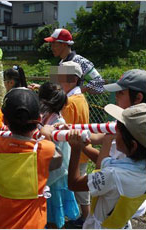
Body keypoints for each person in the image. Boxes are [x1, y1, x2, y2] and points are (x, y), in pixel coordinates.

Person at [0, 88, 62, 229]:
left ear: (4, 120)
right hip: (31, 225)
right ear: (39, 119)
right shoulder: (44, 149)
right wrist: (47, 135)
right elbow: (58, 161)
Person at [67, 103, 146, 229]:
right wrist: (86, 145)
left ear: (133, 145)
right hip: (120, 224)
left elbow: (74, 183)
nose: (114, 132)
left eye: (118, 131)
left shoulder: (113, 175)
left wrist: (76, 149)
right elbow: (103, 165)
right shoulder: (140, 168)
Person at [51, 61, 93, 227]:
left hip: (75, 151)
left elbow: (62, 127)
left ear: (73, 79)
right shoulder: (80, 97)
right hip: (83, 148)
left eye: (61, 77)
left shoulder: (69, 102)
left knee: (79, 188)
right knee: (81, 188)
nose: (57, 80)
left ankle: (85, 219)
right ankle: (84, 217)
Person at [38, 82, 80, 228]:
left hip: (55, 174)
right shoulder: (44, 119)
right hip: (50, 172)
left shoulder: (58, 122)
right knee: (48, 211)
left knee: (53, 214)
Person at [44, 28, 105, 94]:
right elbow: (56, 87)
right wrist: (41, 87)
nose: (52, 48)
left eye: (54, 44)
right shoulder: (61, 63)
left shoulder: (80, 61)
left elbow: (99, 82)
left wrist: (76, 91)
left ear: (64, 44)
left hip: (74, 102)